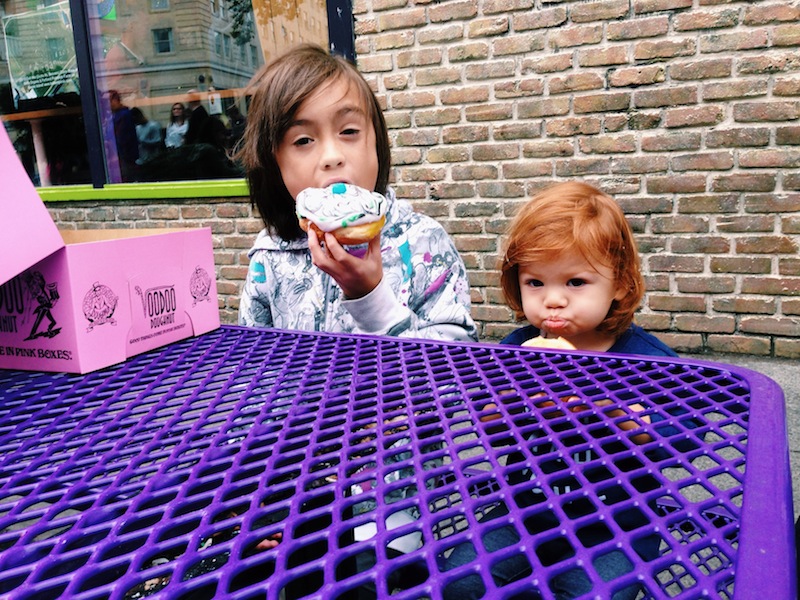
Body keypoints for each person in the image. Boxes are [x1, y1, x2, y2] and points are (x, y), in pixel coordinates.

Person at [443, 182, 683, 600]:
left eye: (575, 282)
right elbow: (489, 427)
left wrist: (615, 414)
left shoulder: (649, 361)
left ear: (621, 285)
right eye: (536, 282)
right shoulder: (518, 351)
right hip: (523, 510)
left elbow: (684, 437)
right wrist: (515, 403)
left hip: (619, 522)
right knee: (460, 580)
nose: (553, 301)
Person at [236, 43, 477, 343]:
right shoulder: (269, 256)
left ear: (377, 143)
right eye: (303, 140)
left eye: (349, 131)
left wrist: (371, 299)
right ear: (274, 162)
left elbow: (455, 370)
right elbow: (254, 363)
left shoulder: (425, 244)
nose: (332, 156)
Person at [108, 90, 139, 181]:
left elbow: (123, 137)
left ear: (115, 100)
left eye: (109, 101)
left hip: (123, 156)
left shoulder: (123, 115)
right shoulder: (113, 115)